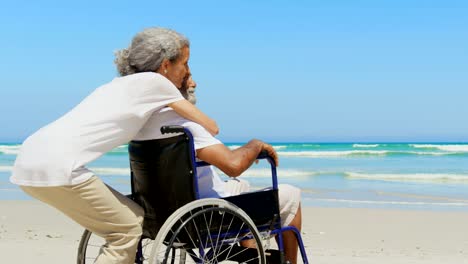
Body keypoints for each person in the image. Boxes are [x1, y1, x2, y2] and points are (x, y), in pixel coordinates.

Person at [10, 27, 218, 264]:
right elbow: (211, 127)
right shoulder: (157, 83)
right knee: (126, 230)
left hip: (29, 159)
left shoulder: (117, 85)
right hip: (59, 166)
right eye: (185, 63)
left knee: (131, 217)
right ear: (165, 65)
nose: (187, 72)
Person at [134, 76, 302, 264]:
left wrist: (246, 152)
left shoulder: (145, 125)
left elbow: (224, 157)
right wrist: (255, 146)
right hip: (205, 216)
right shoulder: (185, 126)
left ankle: (247, 257)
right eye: (186, 76)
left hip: (162, 216)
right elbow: (232, 165)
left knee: (241, 185)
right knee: (291, 194)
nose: (194, 83)